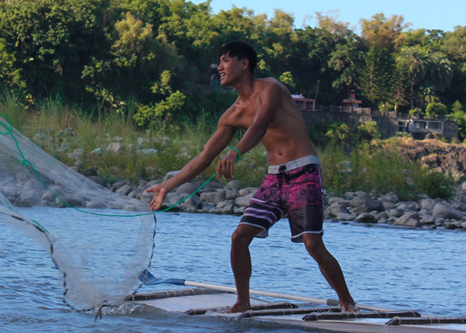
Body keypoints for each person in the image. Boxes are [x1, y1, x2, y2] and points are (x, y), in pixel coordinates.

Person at [146, 40, 357, 314]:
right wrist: (166, 186)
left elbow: (260, 124)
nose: (219, 67)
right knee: (239, 237)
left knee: (312, 244)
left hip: (303, 171)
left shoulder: (272, 89)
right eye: (219, 62)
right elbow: (204, 157)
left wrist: (235, 152)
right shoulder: (232, 114)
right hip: (274, 179)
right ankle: (243, 302)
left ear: (244, 63)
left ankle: (347, 303)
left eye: (224, 60)